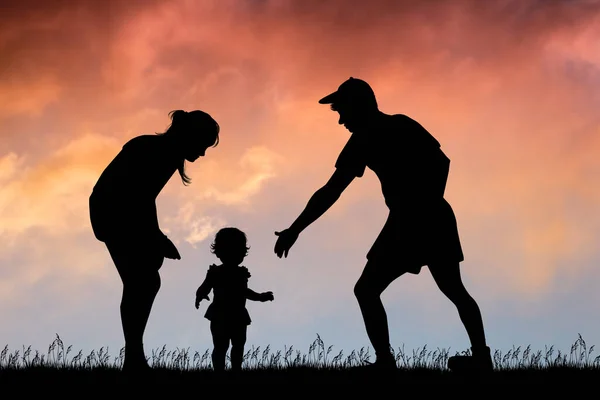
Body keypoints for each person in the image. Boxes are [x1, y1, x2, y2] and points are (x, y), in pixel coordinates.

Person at [273, 77, 493, 372]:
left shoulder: (371, 136)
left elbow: (332, 190)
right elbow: (441, 162)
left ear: (356, 106)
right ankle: (480, 356)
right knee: (452, 289)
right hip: (423, 216)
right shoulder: (388, 129)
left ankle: (387, 362)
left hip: (413, 219)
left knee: (369, 289)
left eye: (342, 111)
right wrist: (295, 228)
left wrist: (294, 229)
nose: (340, 120)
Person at [89, 109, 220, 372]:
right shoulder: (155, 150)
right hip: (113, 212)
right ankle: (134, 357)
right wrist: (157, 237)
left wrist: (156, 238)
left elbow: (142, 199)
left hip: (115, 212)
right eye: (203, 145)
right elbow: (139, 197)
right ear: (190, 135)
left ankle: (133, 357)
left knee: (144, 280)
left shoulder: (164, 153)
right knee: (144, 280)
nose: (203, 154)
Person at [195, 227, 274, 372]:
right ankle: (221, 371)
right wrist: (200, 295)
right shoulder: (216, 272)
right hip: (221, 314)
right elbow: (205, 287)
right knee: (222, 346)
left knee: (237, 345)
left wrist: (260, 297)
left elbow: (243, 292)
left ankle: (235, 370)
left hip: (236, 314)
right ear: (219, 252)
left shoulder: (239, 273)